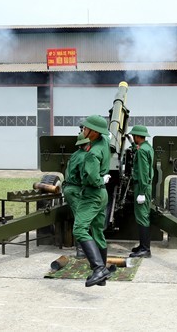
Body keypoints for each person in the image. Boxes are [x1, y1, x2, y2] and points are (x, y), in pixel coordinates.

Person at [73, 114, 112, 287]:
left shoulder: (91, 154)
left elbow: (92, 179)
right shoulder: (103, 142)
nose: (83, 130)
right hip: (102, 195)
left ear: (94, 132)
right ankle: (102, 276)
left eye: (86, 128)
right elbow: (107, 137)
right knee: (97, 231)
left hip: (92, 194)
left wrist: (99, 179)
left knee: (79, 229)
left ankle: (98, 269)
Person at [128, 125, 154, 258]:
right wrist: (132, 145)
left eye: (133, 136)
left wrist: (142, 192)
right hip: (144, 185)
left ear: (138, 136)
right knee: (142, 215)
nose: (133, 137)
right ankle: (142, 246)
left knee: (142, 216)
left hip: (142, 185)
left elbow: (144, 172)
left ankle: (145, 249)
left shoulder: (142, 151)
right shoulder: (146, 147)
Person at [63, 132, 89, 258]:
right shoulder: (85, 157)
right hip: (76, 190)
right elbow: (85, 176)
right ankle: (81, 251)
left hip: (69, 189)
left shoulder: (74, 155)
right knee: (81, 219)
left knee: (79, 217)